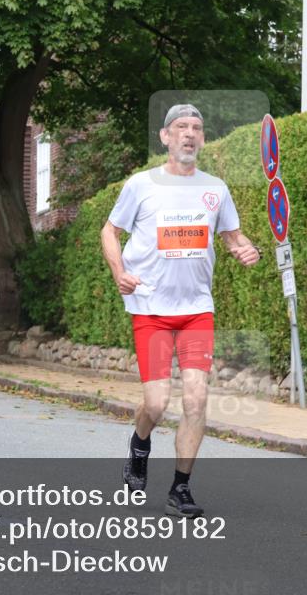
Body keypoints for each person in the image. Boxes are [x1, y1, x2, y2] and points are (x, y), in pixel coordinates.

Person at [101, 103, 260, 518]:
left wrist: (245, 250)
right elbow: (110, 231)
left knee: (195, 399)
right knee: (155, 403)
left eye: (196, 128)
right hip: (151, 308)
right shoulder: (141, 185)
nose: (189, 134)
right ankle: (139, 446)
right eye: (180, 127)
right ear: (166, 137)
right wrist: (120, 271)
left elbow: (232, 237)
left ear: (202, 139)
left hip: (195, 311)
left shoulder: (216, 189)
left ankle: (180, 489)